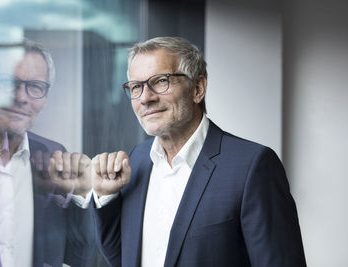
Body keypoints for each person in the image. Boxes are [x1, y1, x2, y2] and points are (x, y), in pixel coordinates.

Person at [90, 37, 307, 267]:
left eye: (161, 81)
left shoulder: (252, 166)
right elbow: (124, 258)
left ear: (197, 88)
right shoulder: (136, 161)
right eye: (136, 87)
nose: (145, 98)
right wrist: (106, 197)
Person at [0, 41, 93, 267]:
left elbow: (80, 257)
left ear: (45, 99)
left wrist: (81, 195)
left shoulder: (54, 157)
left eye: (35, 86)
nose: (21, 97)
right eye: (7, 83)